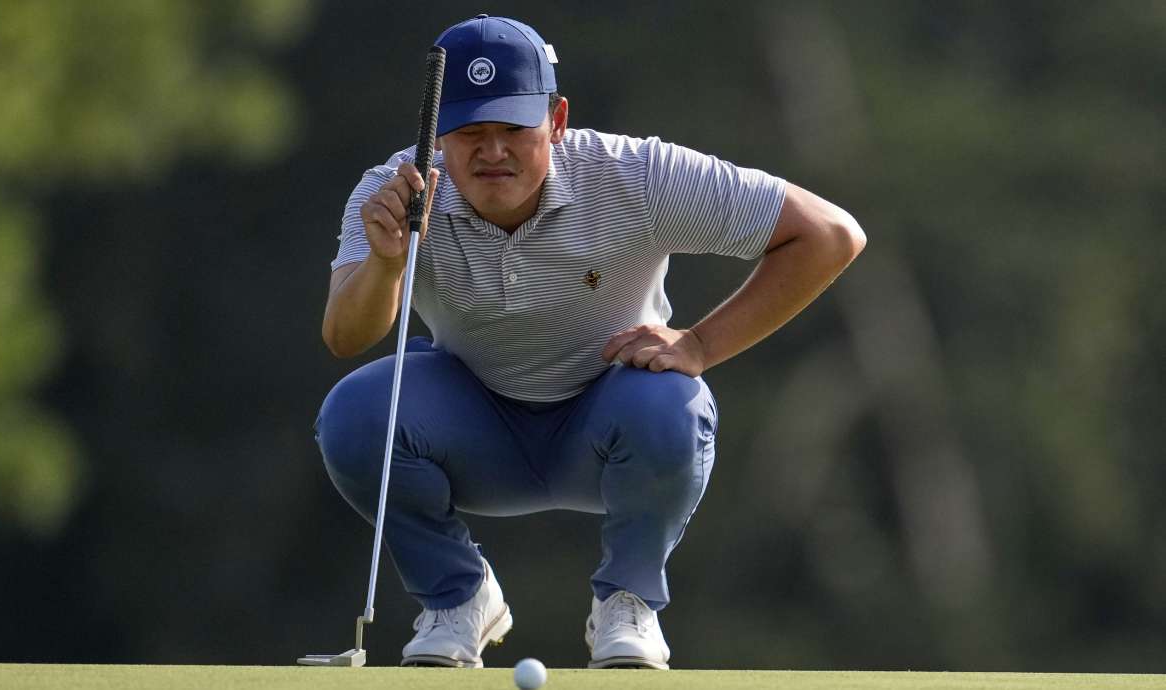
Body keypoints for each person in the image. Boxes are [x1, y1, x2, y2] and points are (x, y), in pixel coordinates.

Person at [316, 14, 865, 669]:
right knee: (352, 416)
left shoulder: (636, 175)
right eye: (470, 133)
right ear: (438, 138)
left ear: (556, 120)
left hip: (610, 426)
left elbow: (831, 236)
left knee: (673, 402)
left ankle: (627, 605)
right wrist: (386, 263)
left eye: (513, 129)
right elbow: (346, 337)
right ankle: (457, 598)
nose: (492, 151)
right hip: (473, 424)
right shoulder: (393, 194)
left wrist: (700, 344)